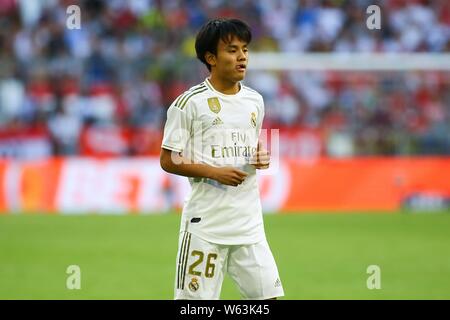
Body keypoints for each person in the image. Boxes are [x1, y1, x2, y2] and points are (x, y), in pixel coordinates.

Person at [160, 18, 284, 300]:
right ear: (211, 58)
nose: (242, 56)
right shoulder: (188, 104)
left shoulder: (255, 101)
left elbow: (249, 144)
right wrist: (214, 172)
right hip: (206, 226)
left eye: (245, 49)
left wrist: (259, 155)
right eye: (232, 50)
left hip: (249, 225)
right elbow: (168, 159)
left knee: (268, 299)